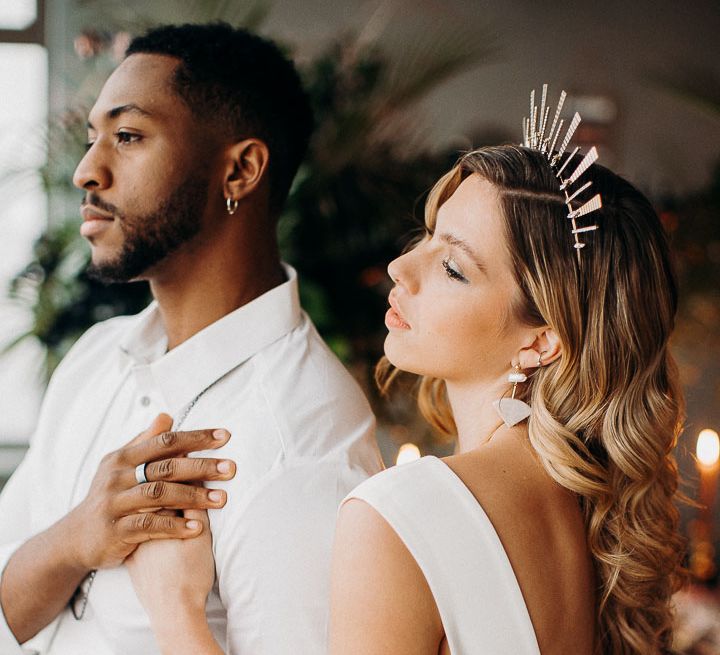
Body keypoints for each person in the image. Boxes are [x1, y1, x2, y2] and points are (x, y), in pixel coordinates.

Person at [128, 89, 687, 654]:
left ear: (543, 339)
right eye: (428, 235)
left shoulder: (401, 514)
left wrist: (174, 610)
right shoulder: (585, 513)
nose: (401, 266)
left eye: (452, 267)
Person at [0, 22, 382, 655]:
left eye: (127, 137)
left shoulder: (302, 443)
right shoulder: (96, 358)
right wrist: (76, 537)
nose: (86, 171)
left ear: (239, 171)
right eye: (94, 137)